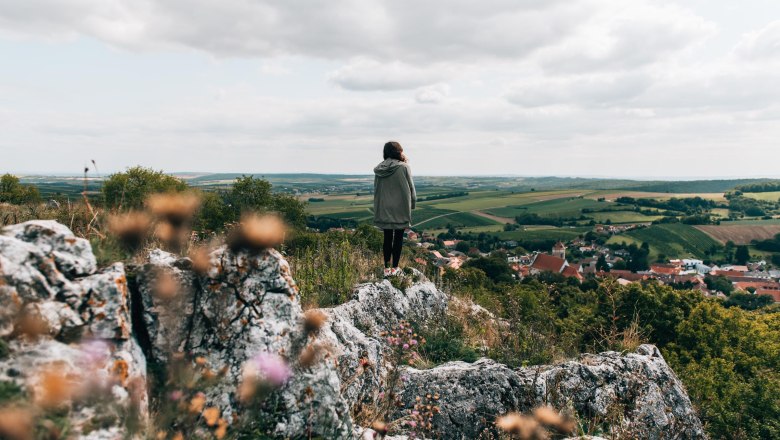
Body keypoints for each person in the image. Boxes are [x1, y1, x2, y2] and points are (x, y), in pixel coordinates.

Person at [373, 141, 416, 277]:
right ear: (398, 152)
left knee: (387, 237)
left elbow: (376, 190)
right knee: (398, 238)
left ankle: (386, 269)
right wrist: (411, 206)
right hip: (401, 207)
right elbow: (411, 189)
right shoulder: (404, 167)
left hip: (384, 207)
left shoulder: (379, 169)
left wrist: (378, 207)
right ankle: (395, 268)